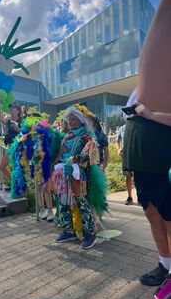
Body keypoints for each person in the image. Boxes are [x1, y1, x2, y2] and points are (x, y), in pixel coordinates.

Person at [123, 0, 171, 295]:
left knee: (168, 215)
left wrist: (152, 114)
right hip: (141, 161)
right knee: (151, 212)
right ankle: (165, 264)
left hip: (160, 158)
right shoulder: (138, 90)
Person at [52, 104, 107, 249]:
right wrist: (56, 164)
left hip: (80, 177)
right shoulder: (67, 137)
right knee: (64, 202)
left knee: (82, 204)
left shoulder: (87, 136)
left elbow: (93, 157)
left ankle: (90, 234)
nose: (70, 122)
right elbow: (61, 155)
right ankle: (68, 230)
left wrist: (75, 159)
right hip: (64, 175)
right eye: (69, 119)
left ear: (81, 121)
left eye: (73, 119)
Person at [0, 101, 21, 189]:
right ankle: (16, 184)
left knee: (16, 168)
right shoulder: (9, 120)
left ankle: (17, 187)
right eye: (10, 108)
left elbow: (27, 133)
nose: (11, 109)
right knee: (2, 166)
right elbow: (1, 119)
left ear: (18, 111)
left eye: (13, 108)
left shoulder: (22, 120)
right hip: (11, 147)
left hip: (18, 147)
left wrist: (18, 129)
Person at [116, 124, 133, 205]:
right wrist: (118, 149)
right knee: (128, 176)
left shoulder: (137, 126)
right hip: (126, 155)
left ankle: (141, 196)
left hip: (136, 155)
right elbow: (117, 140)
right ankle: (130, 197)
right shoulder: (122, 128)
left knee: (138, 176)